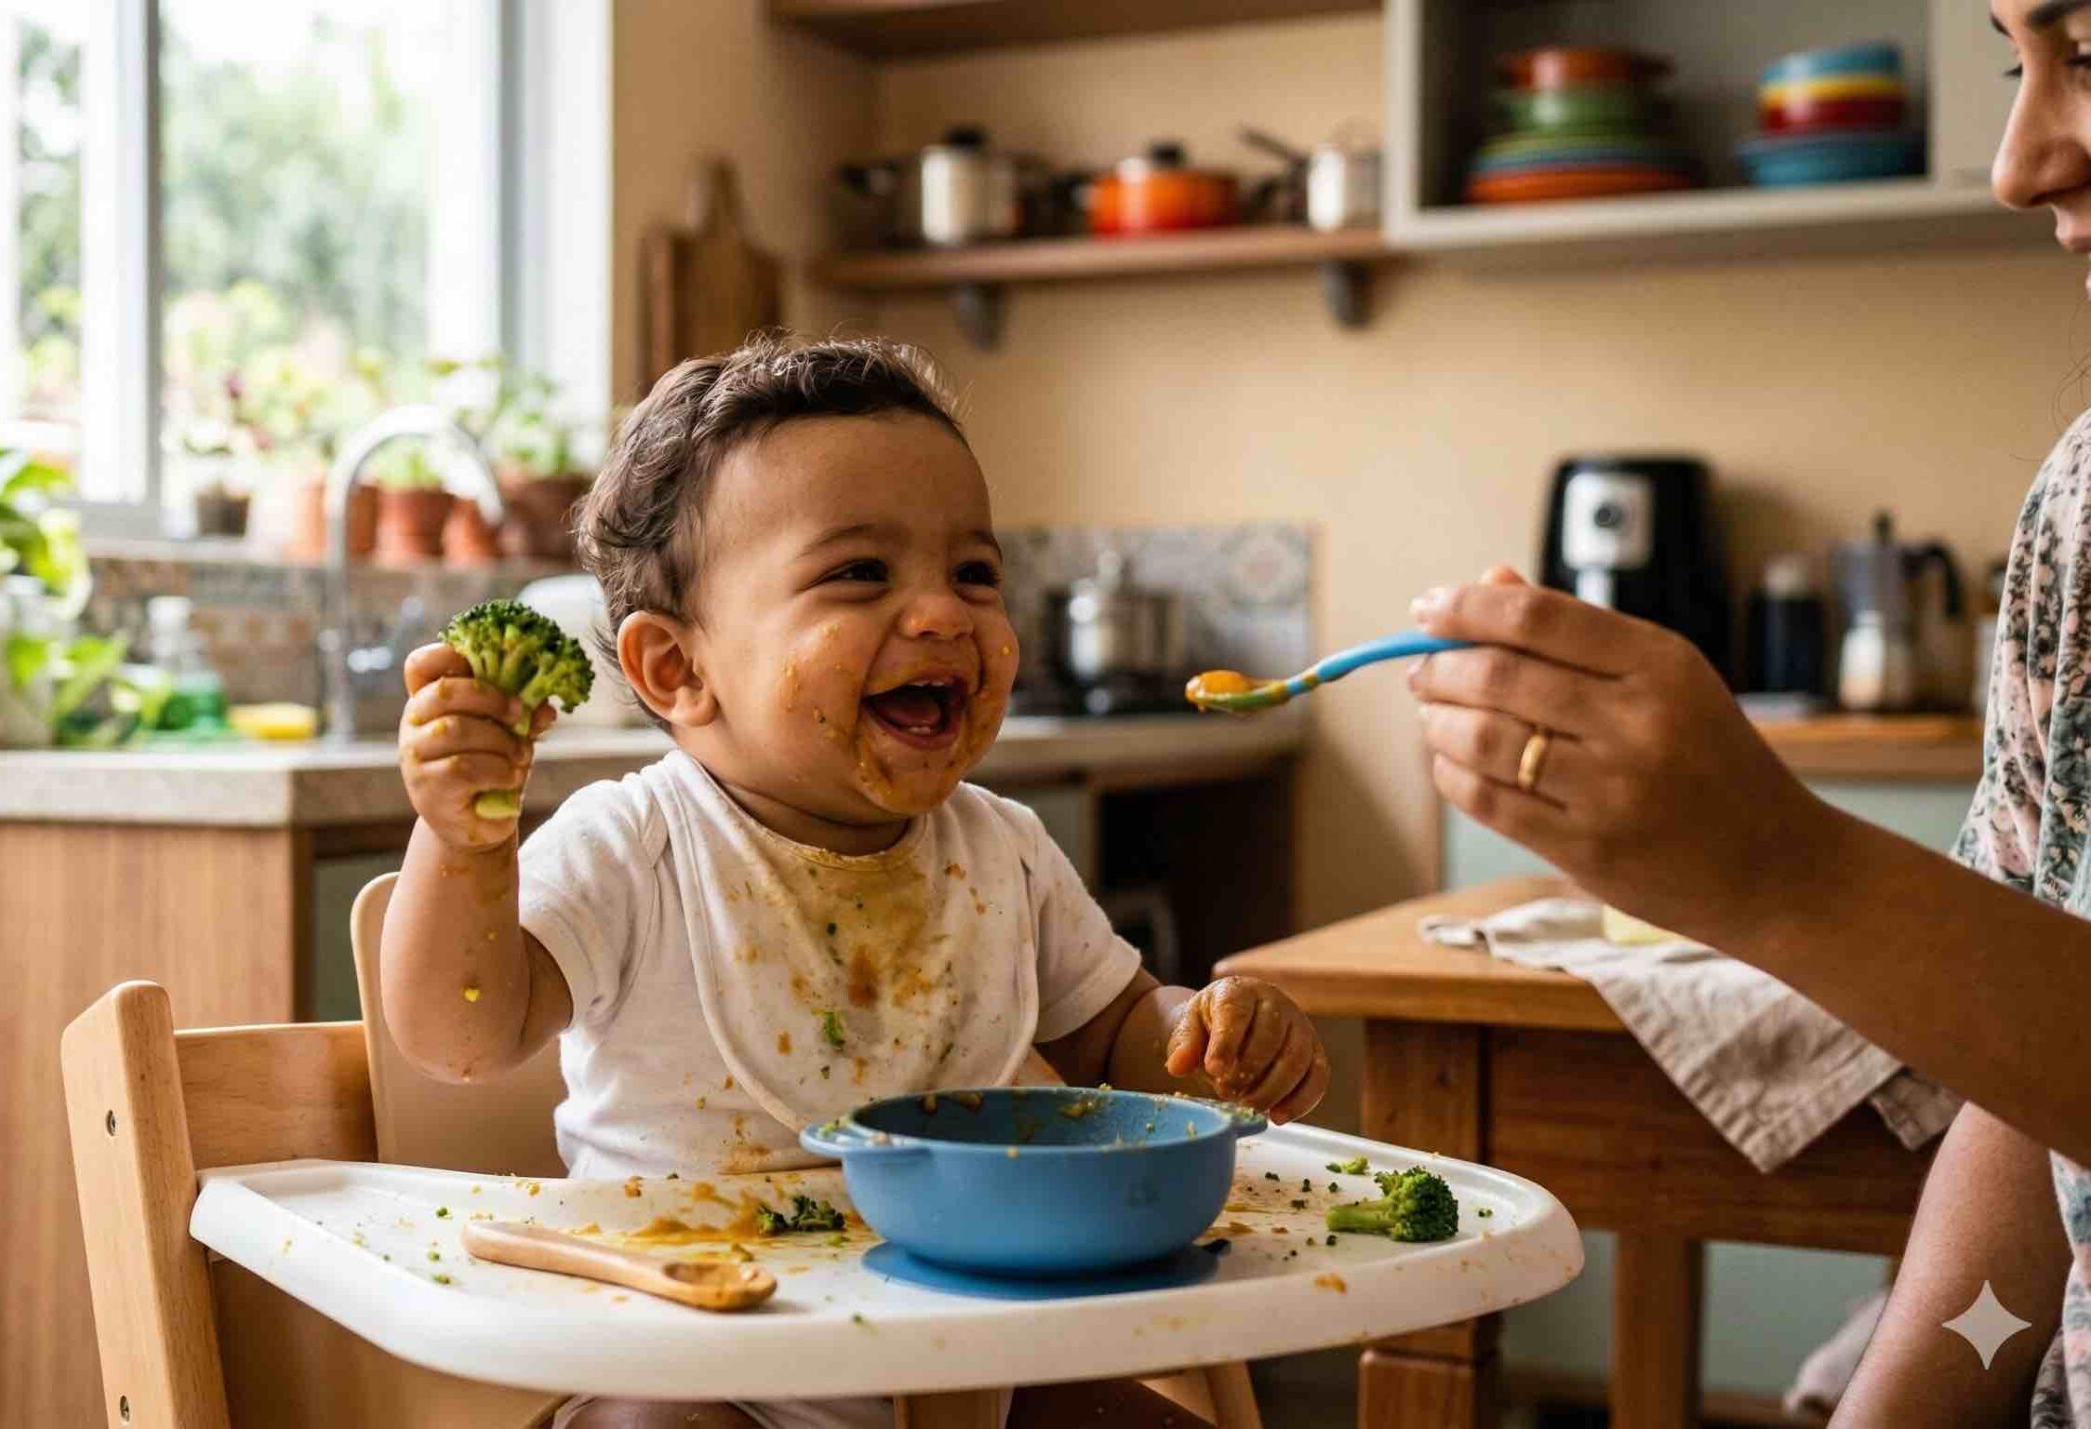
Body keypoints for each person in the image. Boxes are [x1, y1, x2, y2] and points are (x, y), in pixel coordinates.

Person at [374, 335, 1329, 1429]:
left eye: (974, 573)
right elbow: (460, 1034)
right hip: (689, 1354)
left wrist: (1206, 1035)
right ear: (677, 670)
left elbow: (1116, 1040)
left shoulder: (1002, 849)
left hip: (972, 1364)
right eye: (860, 573)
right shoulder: (634, 845)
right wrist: (461, 845)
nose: (944, 614)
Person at [1404, 7, 2091, 1421]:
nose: (2018, 163)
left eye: (2089, 54)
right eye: (2014, 64)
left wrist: (1785, 873)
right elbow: (2031, 1097)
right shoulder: (2081, 501)